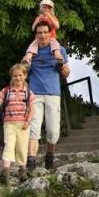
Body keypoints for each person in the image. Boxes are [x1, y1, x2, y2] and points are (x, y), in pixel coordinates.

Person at [25, 18, 70, 173]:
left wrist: (62, 66)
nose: (42, 35)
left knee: (53, 131)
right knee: (34, 129)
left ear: (50, 33)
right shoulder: (31, 51)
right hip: (34, 94)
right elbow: (23, 73)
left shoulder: (59, 50)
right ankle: (31, 161)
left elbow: (67, 73)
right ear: (36, 35)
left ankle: (49, 155)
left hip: (53, 93)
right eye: (39, 33)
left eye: (45, 32)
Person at [0, 63, 36, 185]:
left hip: (23, 125)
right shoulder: (6, 91)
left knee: (22, 148)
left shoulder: (28, 93)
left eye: (20, 75)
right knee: (9, 146)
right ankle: (5, 172)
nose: (18, 78)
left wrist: (28, 122)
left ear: (25, 76)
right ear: (11, 77)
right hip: (9, 124)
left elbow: (32, 110)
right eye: (15, 76)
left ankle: (22, 171)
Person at [22, 0, 63, 65]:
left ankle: (59, 58)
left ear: (51, 9)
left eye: (48, 8)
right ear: (41, 8)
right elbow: (33, 28)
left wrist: (50, 16)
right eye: (44, 7)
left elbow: (57, 26)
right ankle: (27, 60)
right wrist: (37, 21)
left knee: (56, 47)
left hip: (51, 38)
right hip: (38, 39)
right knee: (32, 47)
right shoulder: (38, 17)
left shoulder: (53, 17)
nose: (46, 9)